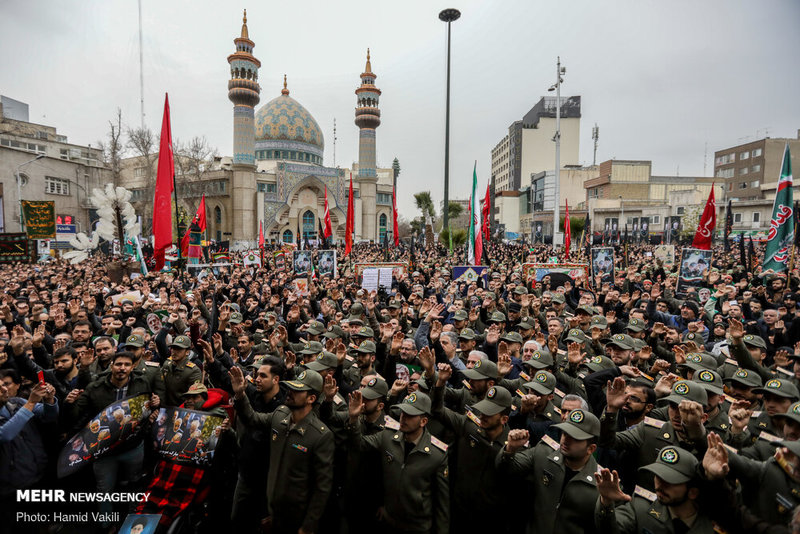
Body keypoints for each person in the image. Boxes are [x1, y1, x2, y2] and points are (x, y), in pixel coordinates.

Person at [230, 365, 334, 534]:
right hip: (272, 511)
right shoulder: (280, 416)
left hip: (296, 520)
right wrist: (240, 395)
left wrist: (309, 526)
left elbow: (322, 488)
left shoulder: (320, 436)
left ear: (311, 398)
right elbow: (252, 418)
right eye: (291, 387)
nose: (290, 392)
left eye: (297, 390)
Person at [346, 389, 449, 534]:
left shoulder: (437, 454)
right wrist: (354, 419)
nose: (403, 418)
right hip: (387, 521)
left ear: (423, 421)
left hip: (417, 527)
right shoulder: (388, 436)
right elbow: (359, 445)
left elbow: (442, 504)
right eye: (402, 413)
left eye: (409, 415)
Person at [499, 408, 602, 534]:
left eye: (575, 438)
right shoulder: (544, 452)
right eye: (564, 433)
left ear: (591, 449)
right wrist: (510, 449)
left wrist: (606, 504)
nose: (566, 440)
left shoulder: (601, 483)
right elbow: (505, 468)